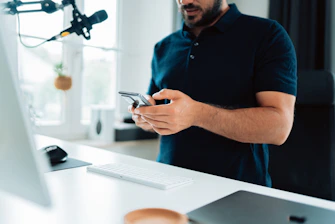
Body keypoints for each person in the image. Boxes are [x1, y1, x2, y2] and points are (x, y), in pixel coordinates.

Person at [128, 0, 297, 187]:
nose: (185, 1)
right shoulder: (163, 47)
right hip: (168, 184)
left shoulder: (267, 35)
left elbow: (279, 127)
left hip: (237, 193)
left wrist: (197, 114)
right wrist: (146, 118)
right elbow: (160, 114)